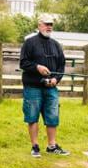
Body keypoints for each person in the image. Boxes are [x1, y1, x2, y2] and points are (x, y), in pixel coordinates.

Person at [19, 14, 70, 157]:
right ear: (39, 25)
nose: (49, 27)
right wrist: (37, 67)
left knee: (53, 117)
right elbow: (23, 63)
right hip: (33, 87)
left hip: (51, 88)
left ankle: (52, 146)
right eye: (46, 24)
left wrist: (56, 79)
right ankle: (35, 147)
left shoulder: (56, 45)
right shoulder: (29, 43)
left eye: (51, 24)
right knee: (32, 117)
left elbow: (61, 66)